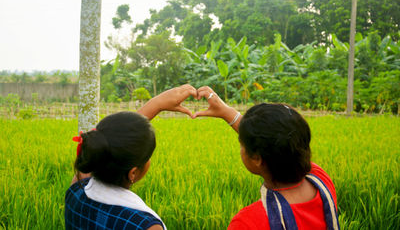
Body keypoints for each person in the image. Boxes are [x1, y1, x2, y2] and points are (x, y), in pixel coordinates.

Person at [194, 86, 340, 230]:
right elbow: (284, 142)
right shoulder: (320, 178)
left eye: (242, 143)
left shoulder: (248, 223)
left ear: (257, 159)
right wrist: (227, 113)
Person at [65, 84, 197, 230]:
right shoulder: (144, 225)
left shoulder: (76, 191)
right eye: (148, 156)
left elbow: (104, 141)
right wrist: (157, 104)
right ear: (132, 173)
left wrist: (157, 104)